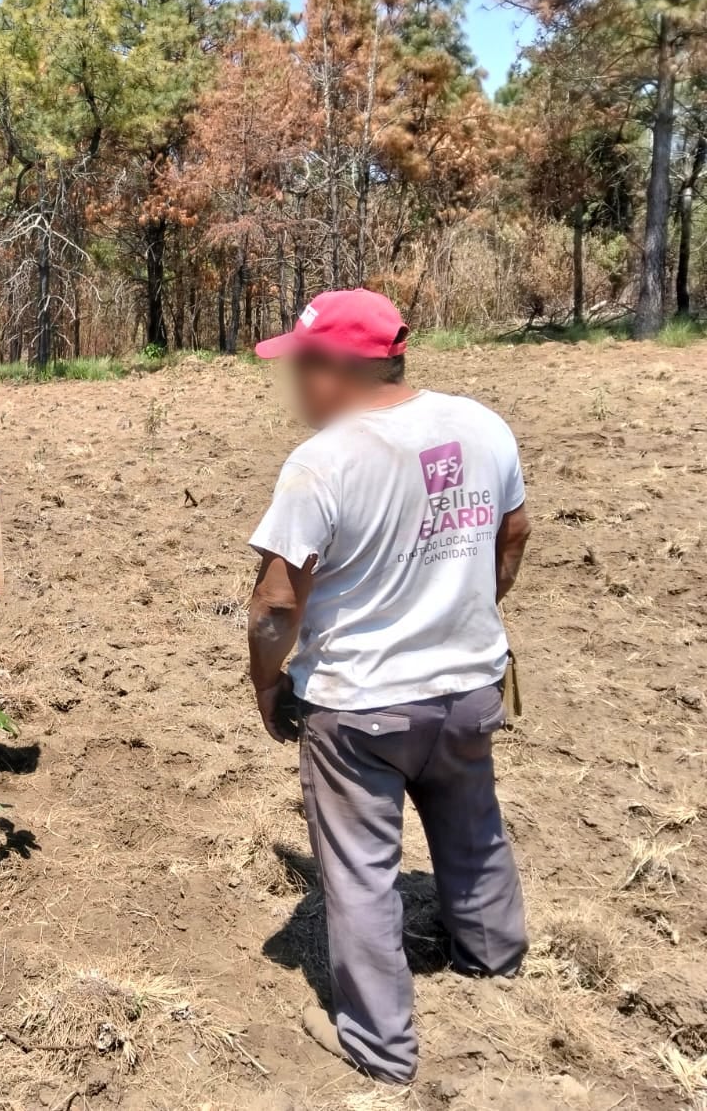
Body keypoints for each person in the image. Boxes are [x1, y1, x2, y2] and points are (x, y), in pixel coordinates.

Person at [244, 288, 532, 1084]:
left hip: (359, 707)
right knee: (472, 827)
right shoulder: (482, 425)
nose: (295, 385)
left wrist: (267, 684)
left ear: (339, 368)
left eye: (300, 366)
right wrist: (467, 613)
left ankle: (379, 1046)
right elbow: (512, 534)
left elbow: (275, 602)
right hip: (471, 686)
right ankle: (495, 961)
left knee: (360, 871)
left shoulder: (325, 461)